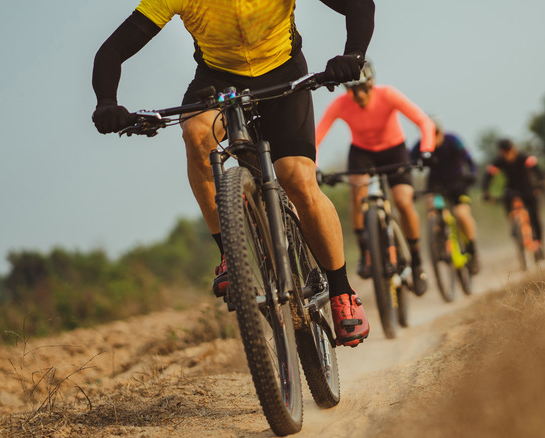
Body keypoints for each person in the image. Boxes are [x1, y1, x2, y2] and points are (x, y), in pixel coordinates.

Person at [90, 0, 375, 347]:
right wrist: (106, 101)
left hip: (282, 71)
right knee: (196, 135)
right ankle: (230, 253)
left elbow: (359, 5)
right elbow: (111, 52)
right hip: (218, 80)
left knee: (297, 178)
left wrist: (354, 54)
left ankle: (341, 292)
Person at [315, 61, 434, 296]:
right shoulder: (339, 104)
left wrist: (426, 149)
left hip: (394, 150)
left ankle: (417, 260)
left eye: (363, 88)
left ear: (372, 84)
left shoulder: (388, 94)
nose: (359, 95)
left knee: (402, 201)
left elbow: (424, 122)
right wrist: (315, 166)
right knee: (357, 191)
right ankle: (364, 253)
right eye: (352, 90)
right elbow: (316, 137)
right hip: (362, 152)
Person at [411, 120, 480, 274]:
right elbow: (409, 164)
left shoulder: (452, 140)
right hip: (435, 185)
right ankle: (439, 240)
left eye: (435, 134)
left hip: (457, 183)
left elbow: (468, 158)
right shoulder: (420, 145)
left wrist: (473, 173)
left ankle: (472, 250)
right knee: (431, 208)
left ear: (440, 132)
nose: (432, 138)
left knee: (461, 215)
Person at [481, 138, 545, 260]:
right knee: (506, 198)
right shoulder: (498, 161)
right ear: (501, 152)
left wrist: (541, 182)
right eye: (504, 152)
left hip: (527, 188)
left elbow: (536, 168)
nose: (507, 154)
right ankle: (514, 224)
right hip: (511, 189)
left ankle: (539, 245)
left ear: (513, 149)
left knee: (535, 217)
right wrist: (485, 191)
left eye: (509, 151)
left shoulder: (523, 157)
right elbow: (488, 176)